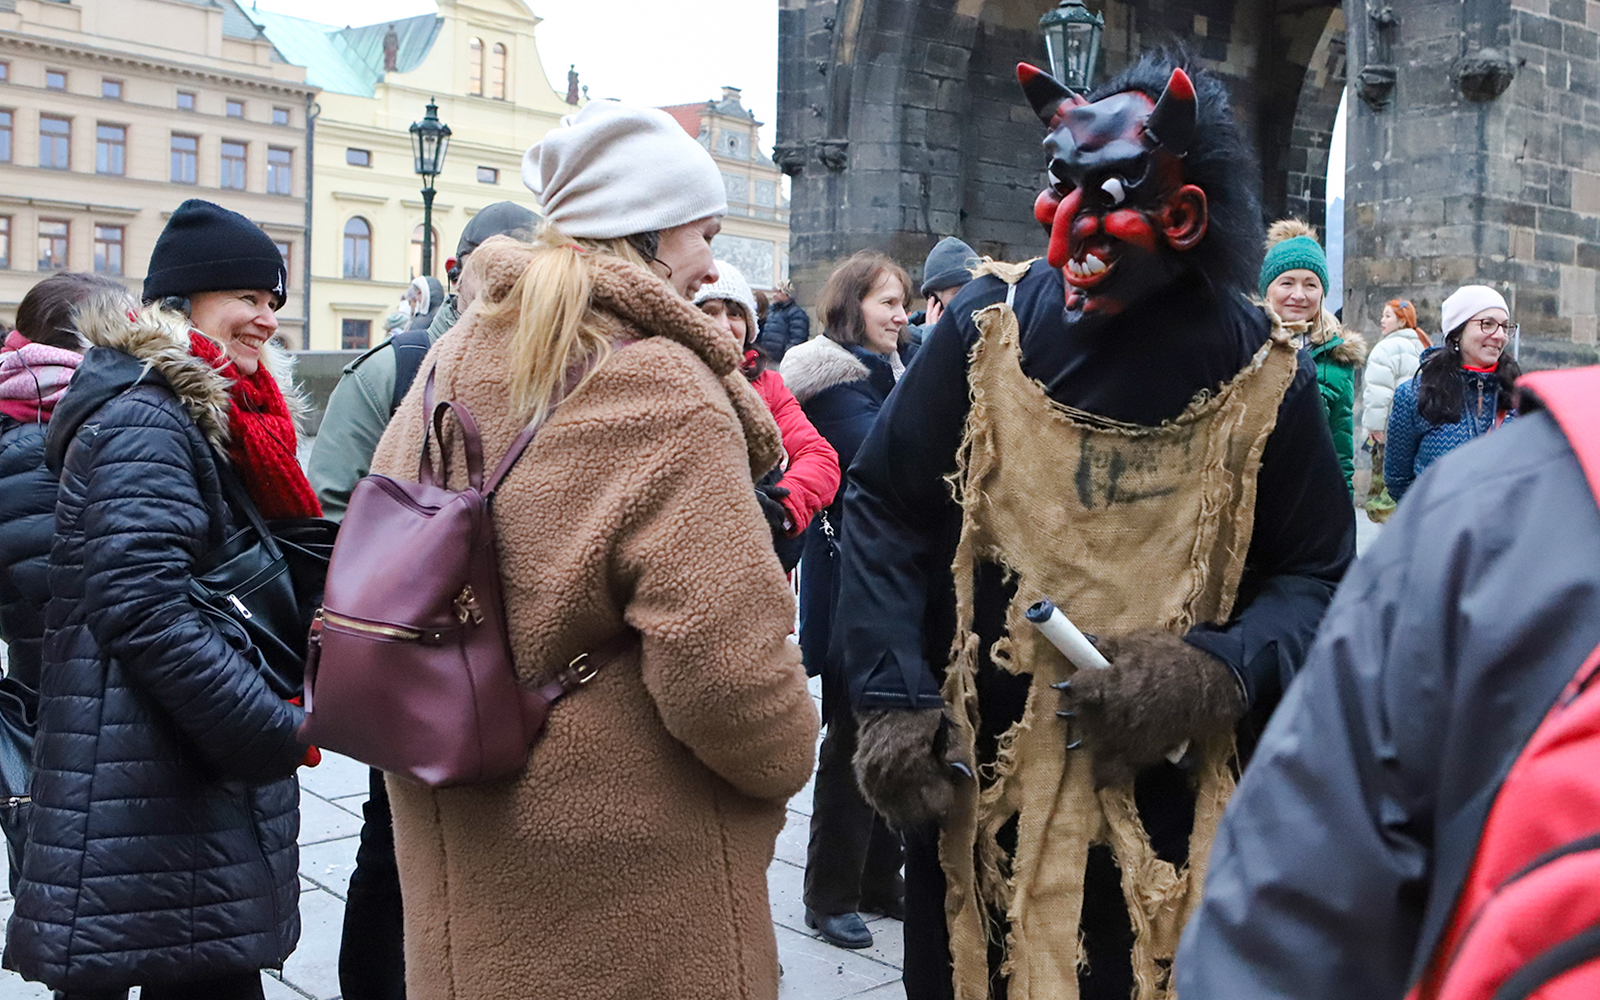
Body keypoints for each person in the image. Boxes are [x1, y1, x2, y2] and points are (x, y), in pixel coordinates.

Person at [835, 57, 1352, 1000]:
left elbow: (1317, 578)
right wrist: (893, 699)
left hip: (1160, 804)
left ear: (1185, 214)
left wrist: (1214, 671)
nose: (1069, 220)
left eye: (1106, 193)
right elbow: (887, 508)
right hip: (977, 790)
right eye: (1057, 186)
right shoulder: (984, 330)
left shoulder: (1266, 378)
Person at [367, 101, 819, 1000]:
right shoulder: (659, 382)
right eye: (703, 233)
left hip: (461, 827)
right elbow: (726, 670)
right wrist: (785, 758)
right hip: (621, 880)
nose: (711, 263)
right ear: (647, 236)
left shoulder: (455, 353)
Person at [1173, 366, 1600, 1000]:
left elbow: (1293, 910)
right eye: (1482, 321)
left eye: (1499, 321)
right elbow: (1388, 456)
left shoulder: (1487, 500)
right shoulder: (1471, 489)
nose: (1494, 332)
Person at [9, 199, 316, 998]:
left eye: (274, 302)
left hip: (164, 760)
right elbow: (144, 608)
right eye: (247, 296)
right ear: (184, 302)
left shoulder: (200, 411)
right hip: (155, 766)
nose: (266, 320)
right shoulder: (150, 414)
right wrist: (267, 727)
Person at [309, 199, 540, 1000]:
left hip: (515, 656)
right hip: (413, 650)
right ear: (463, 269)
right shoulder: (401, 364)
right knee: (394, 840)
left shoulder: (552, 363)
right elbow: (327, 513)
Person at [778, 251, 911, 951]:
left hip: (894, 580)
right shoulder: (832, 382)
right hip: (852, 580)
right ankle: (827, 894)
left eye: (905, 303)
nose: (901, 315)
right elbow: (884, 458)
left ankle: (876, 879)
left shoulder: (893, 370)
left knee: (897, 724)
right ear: (852, 304)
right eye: (888, 303)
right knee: (854, 734)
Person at [0, 272, 123, 888]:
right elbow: (72, 587)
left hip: (47, 689)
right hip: (82, 702)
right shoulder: (52, 438)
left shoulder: (27, 419)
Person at [308, 200, 538, 520]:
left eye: (532, 270)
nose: (509, 279)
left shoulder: (571, 374)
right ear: (454, 275)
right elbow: (330, 515)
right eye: (491, 264)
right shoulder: (388, 373)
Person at [694, 259, 840, 571]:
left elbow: (820, 457)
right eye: (709, 312)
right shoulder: (664, 379)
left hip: (762, 575)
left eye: (734, 313)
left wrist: (782, 505)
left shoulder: (769, 386)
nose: (724, 325)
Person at [1384, 284, 1519, 505]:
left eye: (1504, 327)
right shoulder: (1413, 395)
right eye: (1487, 324)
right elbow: (1398, 480)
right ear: (1457, 332)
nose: (1499, 336)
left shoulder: (1519, 397)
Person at [1259, 219, 1366, 496]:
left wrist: (1343, 524)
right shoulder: (1241, 347)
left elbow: (1340, 453)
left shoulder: (1337, 361)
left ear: (1322, 293)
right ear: (1267, 289)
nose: (1299, 295)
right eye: (1287, 282)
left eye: (1310, 284)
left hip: (1307, 506)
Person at [1361, 298, 1429, 521]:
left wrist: (1374, 428)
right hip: (1413, 429)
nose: (1382, 320)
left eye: (1388, 316)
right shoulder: (1420, 346)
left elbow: (1378, 393)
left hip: (1387, 428)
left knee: (1382, 488)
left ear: (1402, 322)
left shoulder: (1385, 348)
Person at [907, 236, 979, 358]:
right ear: (934, 301)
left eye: (977, 289)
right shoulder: (906, 349)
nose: (971, 298)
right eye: (960, 293)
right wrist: (934, 344)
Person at [759, 281, 810, 361]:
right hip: (766, 358)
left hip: (781, 360)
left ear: (787, 294)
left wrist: (787, 357)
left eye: (779, 291)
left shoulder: (797, 314)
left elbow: (797, 339)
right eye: (775, 291)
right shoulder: (771, 310)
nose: (774, 294)